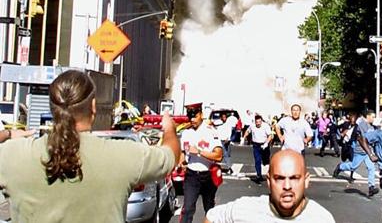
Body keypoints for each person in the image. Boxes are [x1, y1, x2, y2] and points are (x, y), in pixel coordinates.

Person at [0, 70, 179, 222]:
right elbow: (170, 158)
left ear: (53, 109)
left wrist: (7, 134)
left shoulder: (12, 155)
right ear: (93, 107)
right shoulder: (123, 155)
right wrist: (169, 129)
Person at [204, 150, 335, 223]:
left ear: (306, 181)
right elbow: (212, 217)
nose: (287, 186)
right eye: (279, 178)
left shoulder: (321, 218)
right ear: (269, 181)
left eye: (294, 178)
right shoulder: (245, 209)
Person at [179, 102, 224, 223]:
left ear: (201, 114)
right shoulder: (186, 132)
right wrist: (181, 163)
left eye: (195, 116)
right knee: (187, 209)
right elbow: (183, 152)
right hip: (192, 175)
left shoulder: (210, 131)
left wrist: (199, 151)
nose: (192, 119)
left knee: (209, 210)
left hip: (207, 175)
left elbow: (219, 155)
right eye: (190, 116)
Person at [333, 110, 379, 197]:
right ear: (368, 116)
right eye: (372, 117)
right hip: (360, 150)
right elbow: (361, 138)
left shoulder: (372, 127)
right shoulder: (361, 125)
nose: (374, 119)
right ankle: (340, 166)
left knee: (371, 168)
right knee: (353, 166)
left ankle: (371, 187)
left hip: (368, 152)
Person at [243, 114, 274, 183]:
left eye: (259, 122)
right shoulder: (252, 125)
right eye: (257, 122)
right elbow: (247, 131)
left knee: (266, 161)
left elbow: (270, 135)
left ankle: (270, 173)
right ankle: (259, 175)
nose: (258, 124)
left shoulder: (266, 126)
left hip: (264, 145)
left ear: (261, 121)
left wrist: (266, 143)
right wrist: (243, 138)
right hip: (256, 145)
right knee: (257, 160)